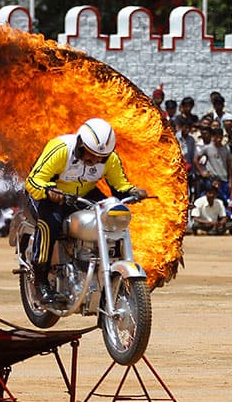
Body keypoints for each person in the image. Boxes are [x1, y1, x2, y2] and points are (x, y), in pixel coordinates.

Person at [24, 118, 147, 302]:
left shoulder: (110, 159)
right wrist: (49, 191)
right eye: (90, 155)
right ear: (80, 145)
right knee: (50, 222)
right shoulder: (60, 149)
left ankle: (107, 271)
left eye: (101, 158)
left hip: (82, 195)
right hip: (48, 196)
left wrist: (133, 191)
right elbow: (33, 181)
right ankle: (41, 282)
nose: (95, 161)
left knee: (113, 215)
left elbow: (120, 185)